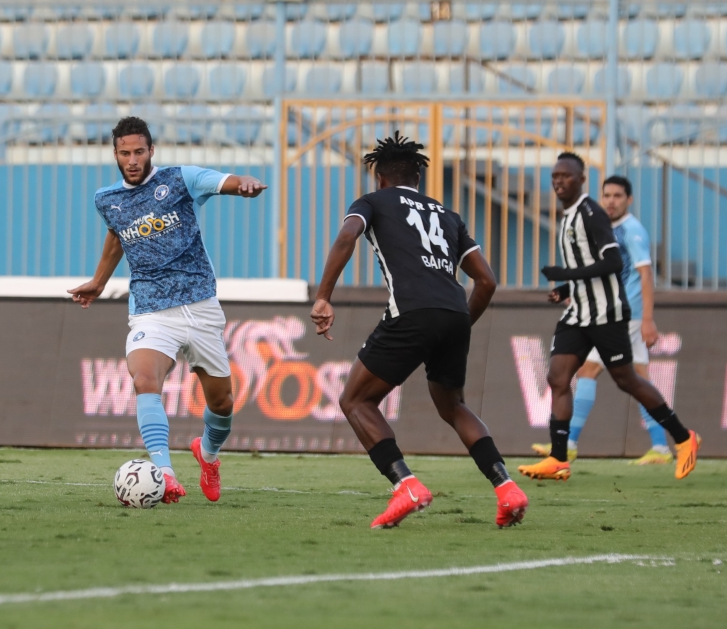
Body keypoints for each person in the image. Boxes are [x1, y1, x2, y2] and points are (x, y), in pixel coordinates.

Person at [310, 132, 528, 529]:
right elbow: (487, 282)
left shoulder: (372, 202)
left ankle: (406, 485)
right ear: (418, 179)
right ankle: (507, 488)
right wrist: (458, 323)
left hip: (411, 312)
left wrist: (324, 297)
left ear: (380, 178)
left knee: (355, 401)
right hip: (454, 312)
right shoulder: (448, 215)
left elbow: (347, 236)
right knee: (453, 406)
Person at [68, 117, 266, 504]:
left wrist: (241, 185)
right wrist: (99, 281)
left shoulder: (178, 180)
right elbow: (118, 234)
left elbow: (220, 180)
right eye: (124, 153)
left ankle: (208, 456)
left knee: (222, 404)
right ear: (115, 154)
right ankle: (165, 473)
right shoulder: (106, 199)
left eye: (138, 151)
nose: (132, 160)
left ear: (151, 151)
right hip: (151, 309)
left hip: (200, 305)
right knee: (144, 380)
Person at [518, 153, 699, 483]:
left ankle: (684, 438)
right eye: (555, 175)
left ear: (581, 179)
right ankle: (559, 457)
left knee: (626, 379)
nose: (559, 181)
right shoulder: (568, 216)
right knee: (559, 378)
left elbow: (613, 262)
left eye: (566, 176)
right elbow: (590, 265)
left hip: (607, 315)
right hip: (578, 314)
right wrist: (565, 287)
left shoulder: (592, 214)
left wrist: (565, 272)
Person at [532, 176, 672, 465]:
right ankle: (661, 447)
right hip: (615, 312)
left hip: (624, 315)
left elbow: (645, 274)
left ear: (629, 200)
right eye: (606, 195)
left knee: (587, 372)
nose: (611, 200)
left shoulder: (631, 230)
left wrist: (648, 319)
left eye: (618, 195)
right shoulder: (609, 229)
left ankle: (568, 443)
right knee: (639, 377)